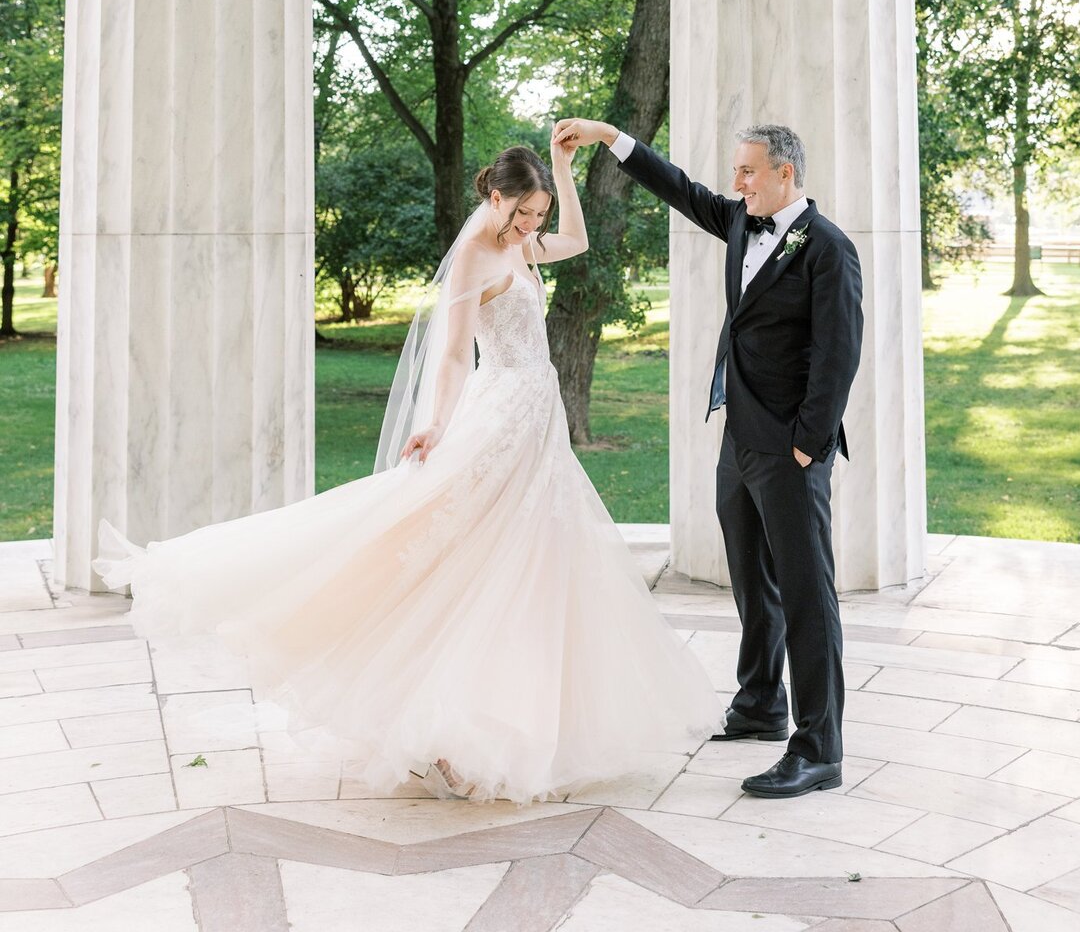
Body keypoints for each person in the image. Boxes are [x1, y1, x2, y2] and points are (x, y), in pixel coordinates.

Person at [95, 142, 721, 804]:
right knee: (471, 568)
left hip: (542, 424)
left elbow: (575, 239)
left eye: (539, 213)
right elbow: (452, 356)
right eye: (526, 213)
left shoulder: (523, 245)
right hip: (502, 418)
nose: (534, 226)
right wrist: (439, 424)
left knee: (536, 570)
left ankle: (508, 728)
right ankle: (448, 733)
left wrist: (562, 171)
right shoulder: (476, 259)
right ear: (496, 197)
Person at [552, 119, 863, 800]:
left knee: (808, 594)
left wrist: (807, 444)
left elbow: (837, 356)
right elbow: (679, 189)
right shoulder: (738, 222)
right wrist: (611, 138)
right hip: (739, 439)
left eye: (749, 171)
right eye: (737, 171)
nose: (736, 183)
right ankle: (759, 706)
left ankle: (819, 748)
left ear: (786, 173)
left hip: (789, 449)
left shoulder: (828, 249)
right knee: (753, 580)